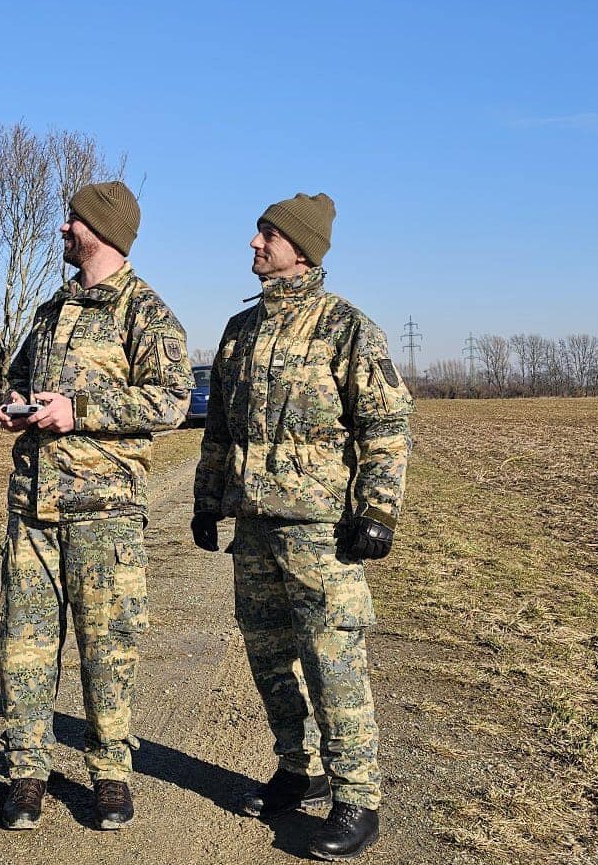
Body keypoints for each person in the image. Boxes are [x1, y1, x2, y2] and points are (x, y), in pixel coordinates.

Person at [192, 193, 413, 860]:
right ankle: (298, 766)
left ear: (301, 247)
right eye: (258, 232)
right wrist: (208, 502)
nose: (255, 244)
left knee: (333, 661)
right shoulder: (240, 331)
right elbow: (220, 432)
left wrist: (377, 510)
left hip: (323, 532)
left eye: (267, 234)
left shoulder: (347, 329)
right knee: (267, 658)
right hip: (255, 529)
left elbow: (386, 426)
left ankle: (357, 797)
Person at [0, 180, 191, 831]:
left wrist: (80, 412)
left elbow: (170, 400)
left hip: (103, 513)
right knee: (24, 643)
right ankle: (27, 771)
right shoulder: (54, 309)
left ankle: (109, 773)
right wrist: (16, 404)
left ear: (101, 229)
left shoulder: (145, 312)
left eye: (72, 220)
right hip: (33, 507)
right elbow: (19, 374)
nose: (62, 230)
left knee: (106, 649)